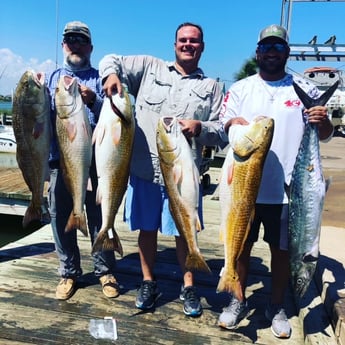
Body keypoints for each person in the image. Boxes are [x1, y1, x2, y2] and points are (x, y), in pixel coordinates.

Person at [99, 22, 226, 316]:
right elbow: (110, 58)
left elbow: (221, 131)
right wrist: (112, 74)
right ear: (174, 44)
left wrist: (201, 127)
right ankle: (148, 281)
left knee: (184, 231)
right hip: (145, 169)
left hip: (184, 177)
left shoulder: (211, 87)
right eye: (183, 40)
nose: (188, 45)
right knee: (147, 229)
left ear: (202, 47)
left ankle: (189, 285)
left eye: (194, 41)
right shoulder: (149, 67)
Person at [218, 24, 334, 338]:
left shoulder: (304, 89)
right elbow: (225, 120)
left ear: (287, 52)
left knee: (282, 252)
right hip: (244, 188)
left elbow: (325, 134)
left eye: (278, 47)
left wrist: (323, 122)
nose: (272, 52)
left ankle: (278, 304)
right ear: (258, 52)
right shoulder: (241, 88)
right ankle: (237, 299)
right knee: (240, 248)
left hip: (289, 194)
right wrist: (233, 122)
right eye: (267, 47)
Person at [47, 21, 119, 300]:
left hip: (97, 162)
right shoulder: (52, 78)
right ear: (63, 44)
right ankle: (68, 272)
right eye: (69, 39)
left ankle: (105, 270)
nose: (74, 44)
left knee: (100, 215)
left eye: (80, 40)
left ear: (90, 47)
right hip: (61, 160)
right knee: (60, 216)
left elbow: (116, 116)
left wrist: (94, 101)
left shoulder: (102, 79)